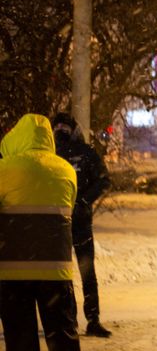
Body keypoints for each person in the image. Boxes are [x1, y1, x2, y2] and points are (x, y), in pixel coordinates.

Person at [0, 114, 81, 351]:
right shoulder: (66, 171)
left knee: (21, 341)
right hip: (56, 272)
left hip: (13, 273)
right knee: (64, 340)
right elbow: (70, 208)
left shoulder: (4, 170)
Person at [51, 113, 112, 338]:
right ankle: (69, 321)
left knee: (87, 273)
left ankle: (93, 320)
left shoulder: (85, 153)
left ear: (73, 128)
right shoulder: (50, 153)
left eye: (65, 126)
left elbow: (104, 179)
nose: (61, 129)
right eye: (57, 126)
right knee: (62, 275)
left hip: (81, 224)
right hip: (58, 224)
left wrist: (84, 200)